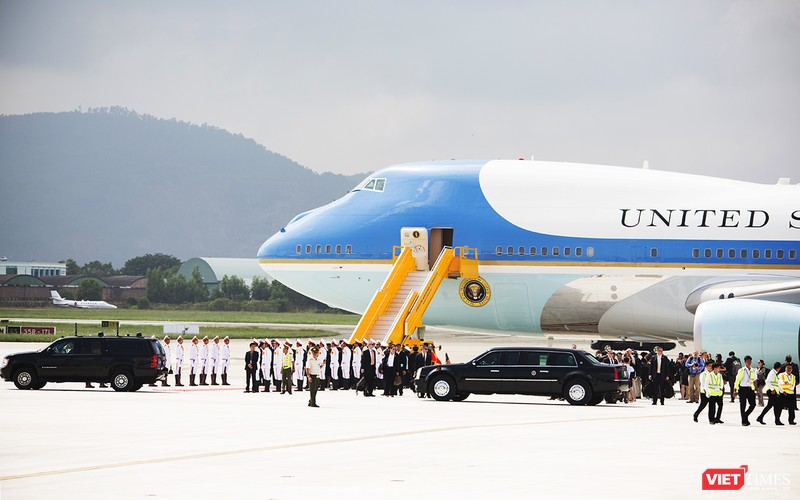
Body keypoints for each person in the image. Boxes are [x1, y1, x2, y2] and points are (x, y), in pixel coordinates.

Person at [733, 355, 757, 426]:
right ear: (745, 362)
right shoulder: (742, 370)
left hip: (750, 388)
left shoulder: (753, 370)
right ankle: (744, 420)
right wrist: (735, 390)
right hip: (743, 389)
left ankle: (745, 415)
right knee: (743, 405)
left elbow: (755, 380)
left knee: (753, 404)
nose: (749, 362)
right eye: (747, 361)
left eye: (750, 361)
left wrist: (756, 389)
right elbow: (737, 380)